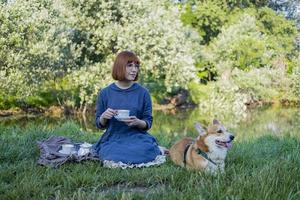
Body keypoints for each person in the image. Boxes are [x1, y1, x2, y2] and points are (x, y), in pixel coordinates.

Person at [92, 50, 165, 168]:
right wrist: (103, 117)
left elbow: (148, 122)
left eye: (136, 66)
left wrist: (138, 122)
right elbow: (99, 124)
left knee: (146, 151)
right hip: (113, 137)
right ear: (120, 67)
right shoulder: (105, 93)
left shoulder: (143, 93)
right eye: (129, 65)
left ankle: (153, 149)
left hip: (137, 137)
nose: (134, 69)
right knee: (112, 155)